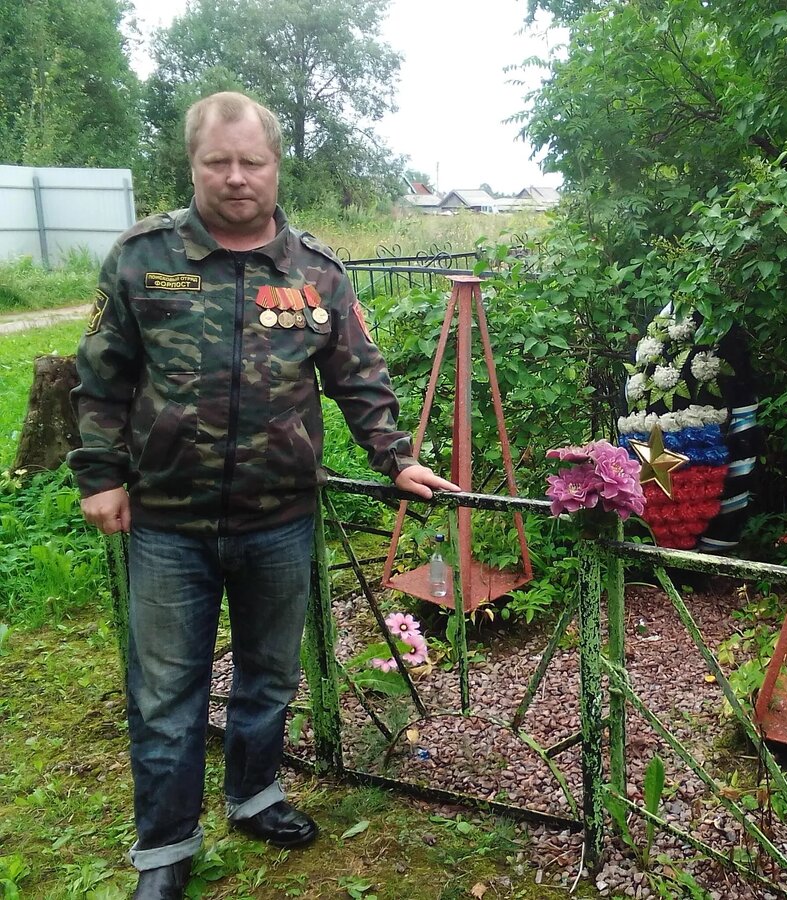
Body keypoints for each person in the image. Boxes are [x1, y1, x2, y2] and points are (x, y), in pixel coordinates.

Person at [68, 91, 459, 900]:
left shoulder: (316, 273)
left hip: (279, 519)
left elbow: (360, 379)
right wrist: (100, 476)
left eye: (253, 161)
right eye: (219, 162)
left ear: (277, 165)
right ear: (194, 164)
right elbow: (100, 378)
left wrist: (395, 459)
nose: (237, 178)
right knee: (167, 693)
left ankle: (254, 795)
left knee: (269, 677)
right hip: (167, 523)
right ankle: (165, 851)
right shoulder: (143, 259)